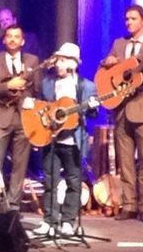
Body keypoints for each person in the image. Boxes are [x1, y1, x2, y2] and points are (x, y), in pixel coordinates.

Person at [97, 4, 143, 222]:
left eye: (133, 19)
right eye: (127, 19)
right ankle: (129, 204)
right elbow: (107, 71)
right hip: (121, 110)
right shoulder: (119, 44)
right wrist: (106, 61)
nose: (129, 22)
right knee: (125, 161)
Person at [31, 43, 99, 237]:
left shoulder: (86, 86)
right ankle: (49, 220)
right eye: (58, 60)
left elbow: (93, 115)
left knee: (73, 181)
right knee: (50, 181)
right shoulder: (47, 83)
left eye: (62, 60)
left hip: (73, 142)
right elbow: (41, 108)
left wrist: (93, 107)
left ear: (73, 63)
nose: (58, 64)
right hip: (51, 139)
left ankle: (68, 221)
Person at [0, 24, 40, 210]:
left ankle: (13, 204)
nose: (13, 39)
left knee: (19, 165)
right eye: (9, 36)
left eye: (16, 36)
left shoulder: (32, 61)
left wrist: (30, 98)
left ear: (22, 41)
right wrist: (8, 85)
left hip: (24, 118)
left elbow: (37, 89)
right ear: (4, 40)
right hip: (0, 117)